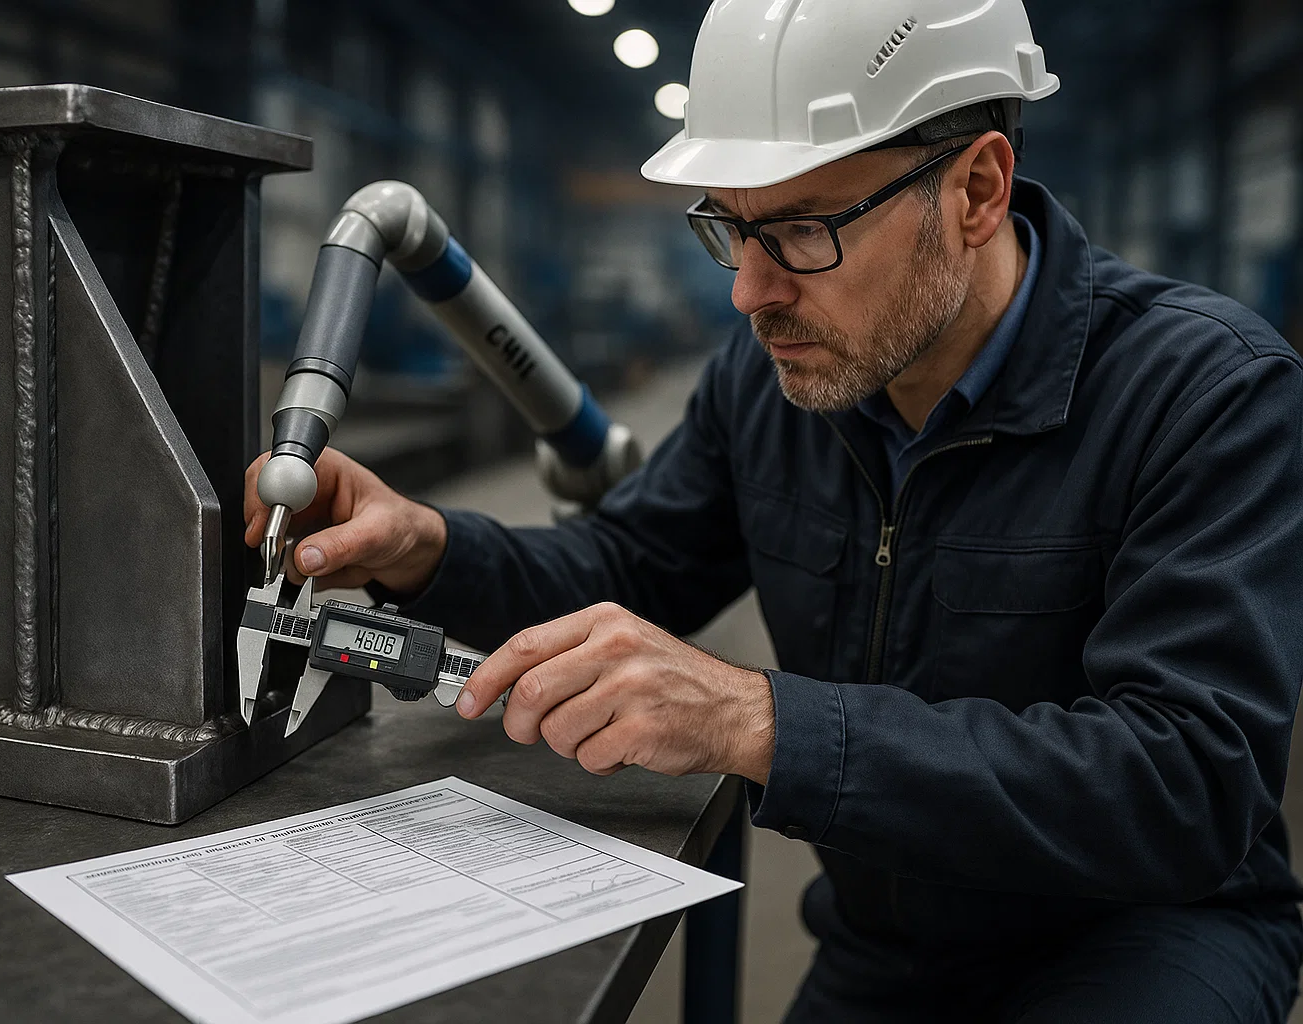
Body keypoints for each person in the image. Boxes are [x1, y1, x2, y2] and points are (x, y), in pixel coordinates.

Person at [246, 1, 1303, 1019]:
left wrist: (762, 719)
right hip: (891, 941)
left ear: (978, 190)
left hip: (1145, 935)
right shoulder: (776, 386)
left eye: (801, 230)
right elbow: (632, 562)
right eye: (732, 229)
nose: (751, 294)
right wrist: (427, 547)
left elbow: (1187, 782)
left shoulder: (1204, 394)